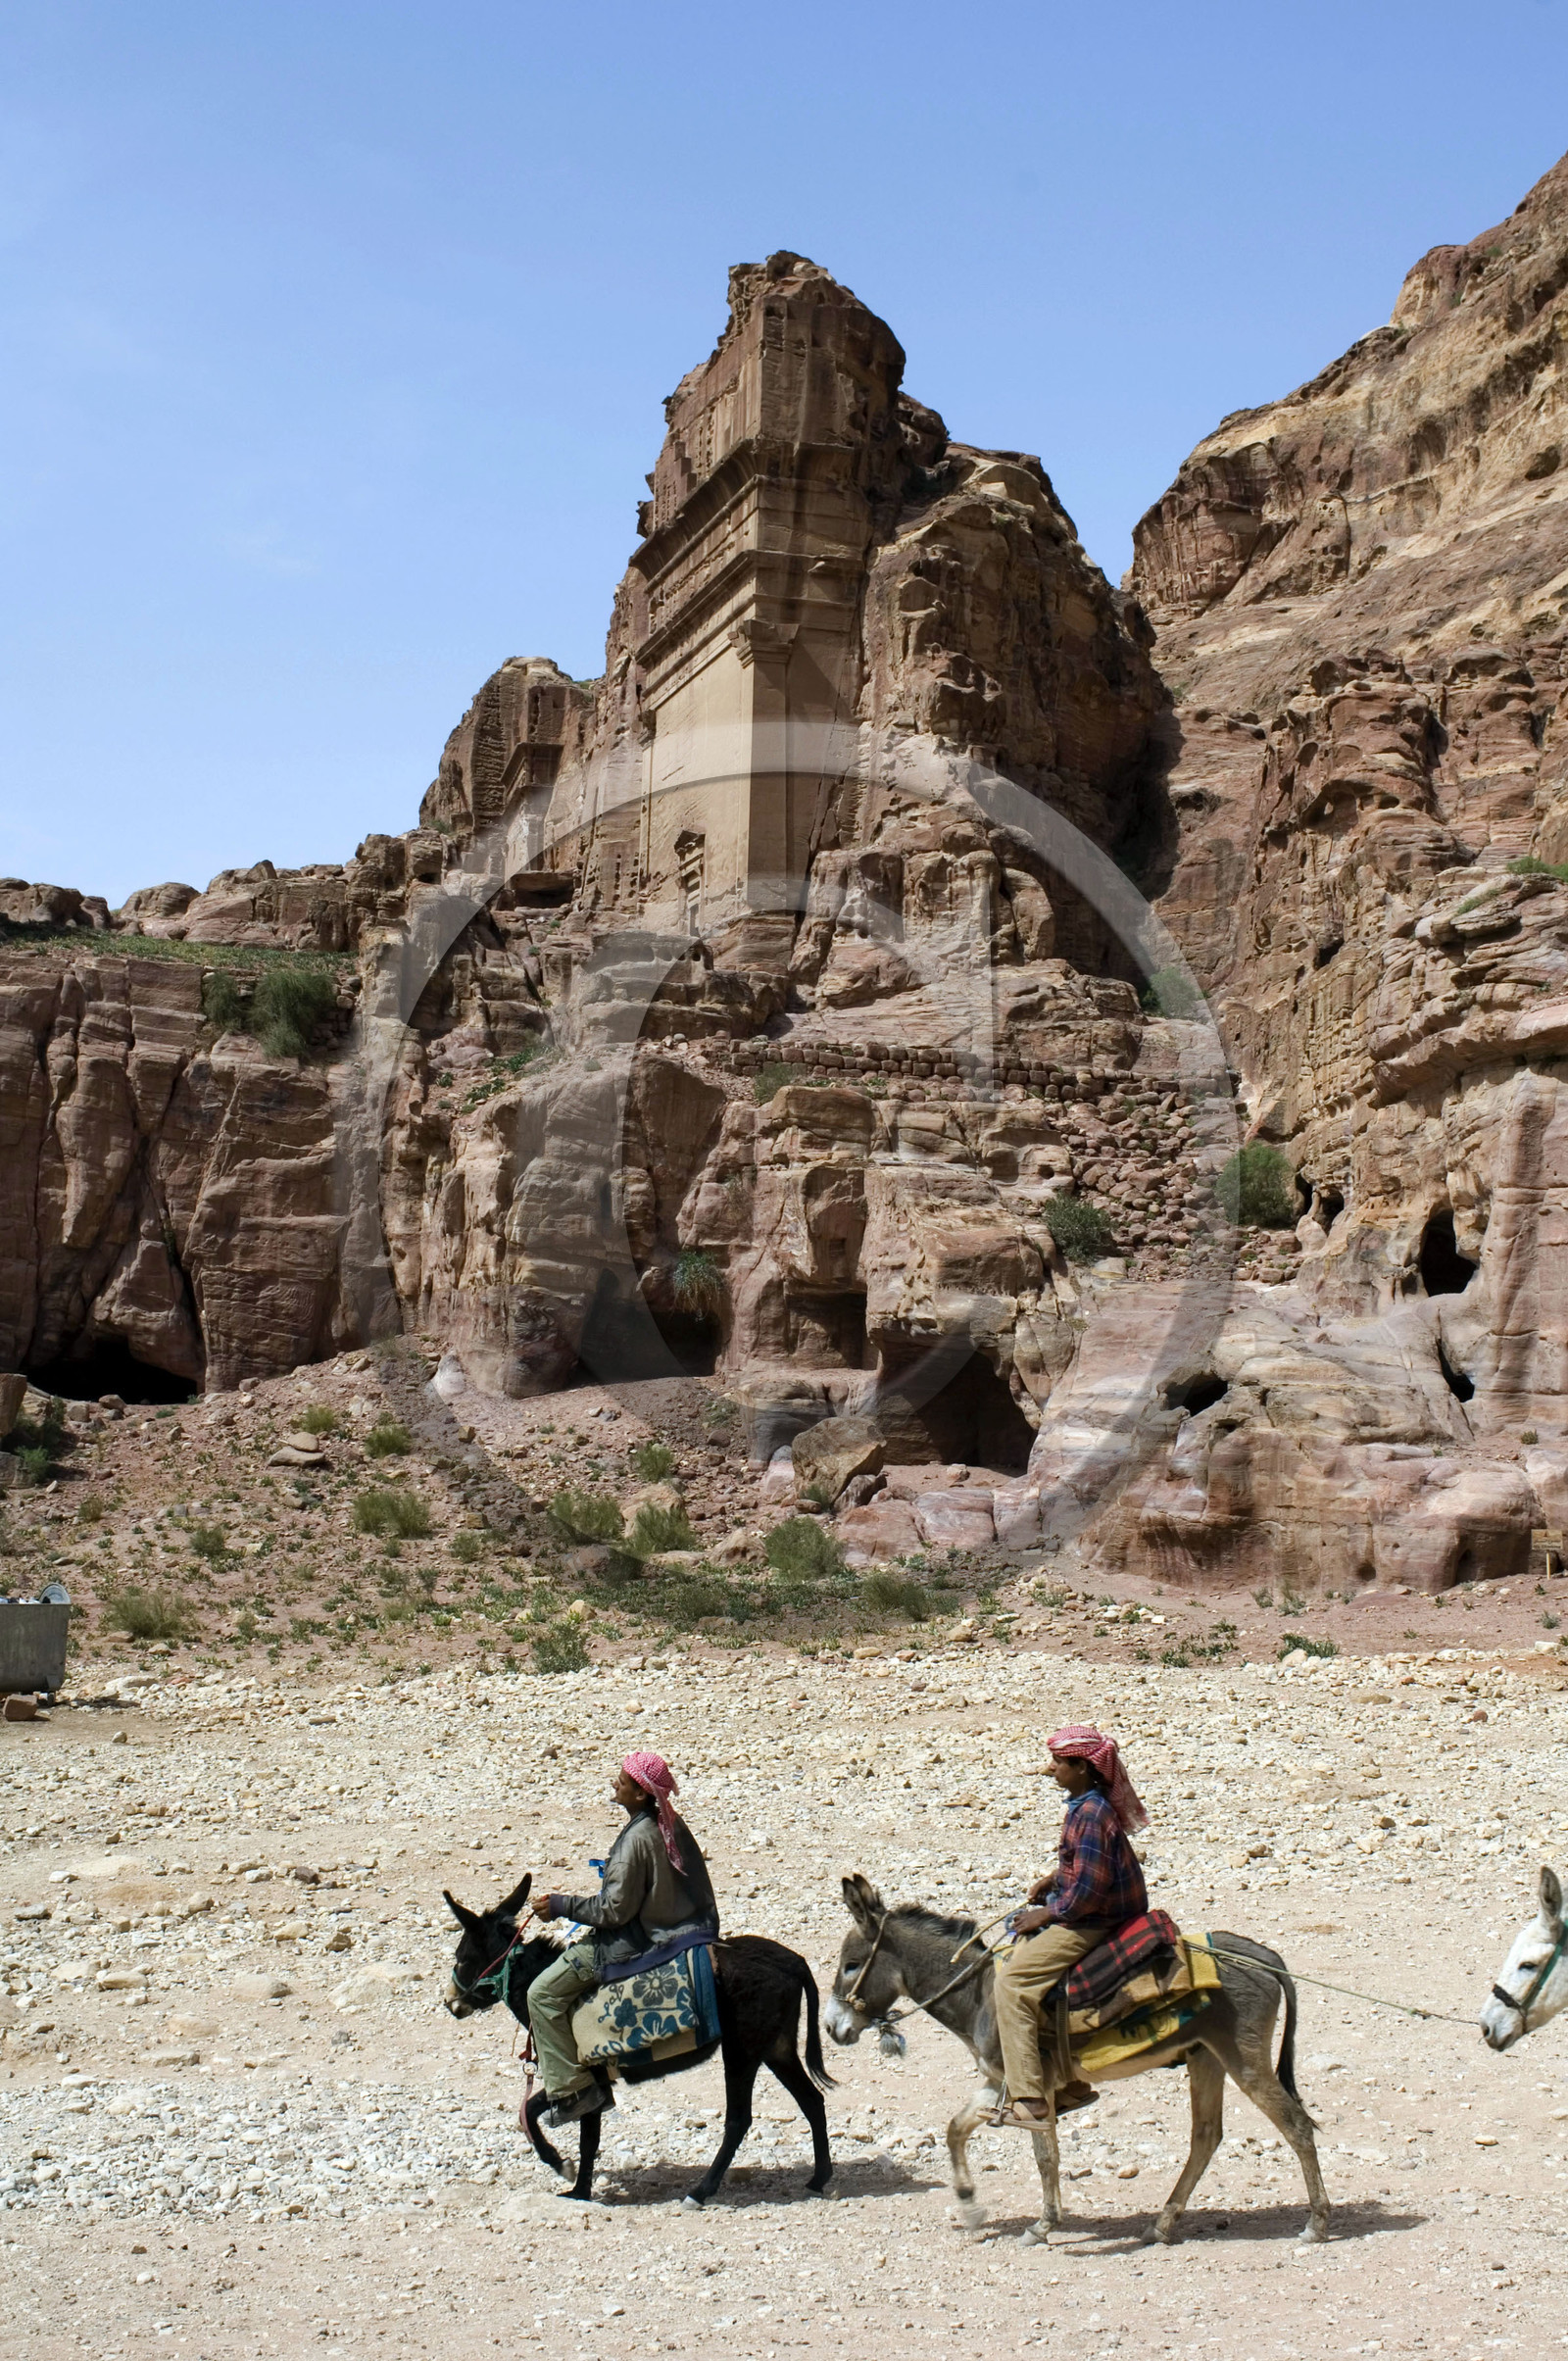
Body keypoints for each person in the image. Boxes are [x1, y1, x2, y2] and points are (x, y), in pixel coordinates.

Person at [526, 1749, 718, 2127]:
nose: (615, 1784)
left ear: (641, 1794)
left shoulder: (635, 1841)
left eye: (623, 1781)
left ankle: (572, 2091)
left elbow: (614, 1912)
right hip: (680, 1928)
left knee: (541, 1993)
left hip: (630, 1942)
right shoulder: (668, 1824)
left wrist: (562, 1905)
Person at [991, 1723, 1149, 2128]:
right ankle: (1068, 2085)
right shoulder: (1086, 1807)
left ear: (1082, 1767)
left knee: (1012, 1984)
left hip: (1098, 1920)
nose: (1052, 1769)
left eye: (1059, 1763)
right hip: (1096, 1908)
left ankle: (1031, 2099)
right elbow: (1087, 1869)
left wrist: (1049, 1912)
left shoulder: (1092, 1814)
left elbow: (1091, 1892)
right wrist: (1055, 1879)